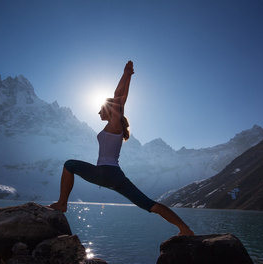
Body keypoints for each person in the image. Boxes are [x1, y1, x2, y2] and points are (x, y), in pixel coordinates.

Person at [49, 61, 194, 236]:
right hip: (117, 177)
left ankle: (62, 203)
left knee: (69, 164)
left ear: (109, 110)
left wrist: (125, 74)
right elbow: (120, 100)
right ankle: (185, 229)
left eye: (100, 109)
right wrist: (129, 77)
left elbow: (119, 97)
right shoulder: (114, 127)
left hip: (106, 172)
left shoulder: (114, 125)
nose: (98, 112)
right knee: (149, 204)